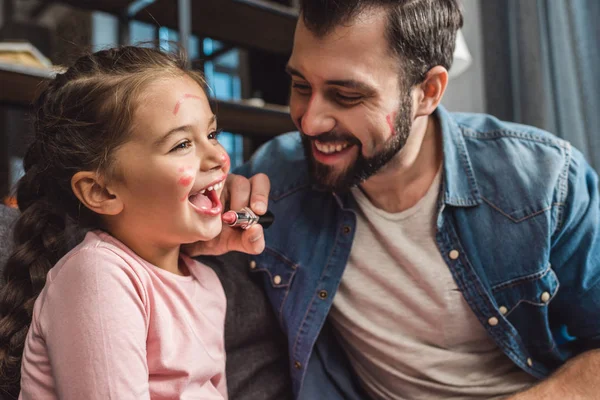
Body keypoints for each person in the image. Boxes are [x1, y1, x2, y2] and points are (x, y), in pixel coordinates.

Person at [188, 0, 600, 398]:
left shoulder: (543, 182)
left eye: (347, 96)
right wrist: (198, 236)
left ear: (428, 91)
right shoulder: (276, 179)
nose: (310, 121)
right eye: (300, 85)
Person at [0, 45, 271, 399]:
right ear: (101, 191)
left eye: (212, 135)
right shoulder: (99, 277)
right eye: (183, 144)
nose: (220, 158)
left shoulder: (206, 282)